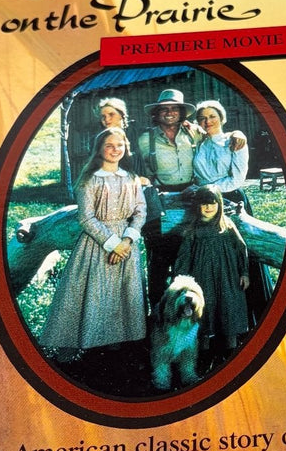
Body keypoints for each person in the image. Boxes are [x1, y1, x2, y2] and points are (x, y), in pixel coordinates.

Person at [39, 127, 147, 359]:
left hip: (127, 245)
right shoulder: (90, 180)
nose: (115, 150)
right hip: (97, 244)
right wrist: (113, 243)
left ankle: (116, 347)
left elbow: (140, 211)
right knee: (95, 292)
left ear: (126, 148)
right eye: (109, 145)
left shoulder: (131, 179)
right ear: (99, 149)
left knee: (122, 294)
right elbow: (86, 218)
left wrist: (127, 240)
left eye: (119, 145)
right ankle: (88, 345)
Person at [137, 88, 244, 304]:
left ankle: (189, 308)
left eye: (174, 108)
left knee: (190, 255)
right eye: (164, 109)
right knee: (158, 260)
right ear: (157, 113)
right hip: (161, 200)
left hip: (193, 199)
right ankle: (158, 311)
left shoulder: (194, 132)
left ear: (182, 113)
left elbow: (217, 133)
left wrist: (238, 133)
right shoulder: (144, 139)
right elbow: (137, 170)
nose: (169, 112)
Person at [174, 185, 249, 367]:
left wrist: (244, 272)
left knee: (228, 308)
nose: (209, 207)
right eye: (204, 204)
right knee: (205, 312)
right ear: (198, 206)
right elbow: (183, 258)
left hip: (227, 278)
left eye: (213, 203)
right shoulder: (192, 230)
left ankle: (231, 351)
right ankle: (204, 354)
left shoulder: (226, 226)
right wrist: (181, 283)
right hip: (203, 278)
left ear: (219, 204)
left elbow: (241, 248)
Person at [191, 100, 250, 205]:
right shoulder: (199, 143)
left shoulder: (234, 141)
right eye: (202, 118)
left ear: (221, 118)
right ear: (198, 122)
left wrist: (209, 190)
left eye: (212, 116)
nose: (207, 121)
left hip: (229, 195)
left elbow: (238, 178)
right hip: (202, 197)